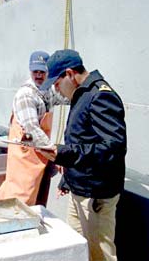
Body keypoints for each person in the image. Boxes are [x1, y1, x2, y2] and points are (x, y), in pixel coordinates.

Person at [37, 49, 127, 261]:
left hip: (95, 194)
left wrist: (64, 154)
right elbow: (83, 140)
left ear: (69, 73)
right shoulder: (82, 94)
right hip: (80, 189)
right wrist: (68, 180)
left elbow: (113, 147)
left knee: (100, 256)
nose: (56, 89)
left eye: (57, 83)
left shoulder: (101, 96)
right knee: (77, 251)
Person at [0, 50, 68, 206]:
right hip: (25, 153)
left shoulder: (47, 91)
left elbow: (66, 97)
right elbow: (32, 129)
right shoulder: (26, 94)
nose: (38, 75)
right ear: (30, 70)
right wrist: (57, 154)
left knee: (39, 196)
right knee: (19, 195)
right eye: (35, 71)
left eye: (42, 71)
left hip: (40, 154)